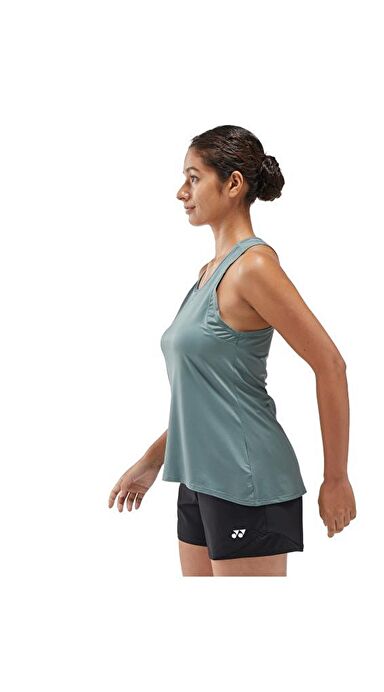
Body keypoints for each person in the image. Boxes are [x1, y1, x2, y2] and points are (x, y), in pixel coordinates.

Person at [108, 125, 356, 577]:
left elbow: (330, 364)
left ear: (234, 184)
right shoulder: (209, 272)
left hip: (248, 482)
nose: (182, 192)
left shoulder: (253, 267)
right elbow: (206, 398)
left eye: (194, 178)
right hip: (197, 479)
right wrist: (151, 460)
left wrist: (336, 478)